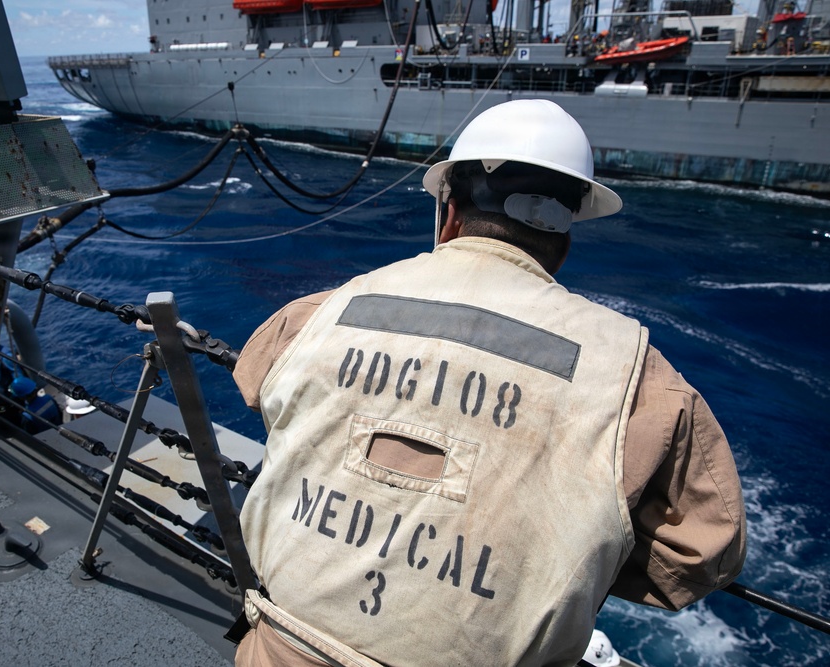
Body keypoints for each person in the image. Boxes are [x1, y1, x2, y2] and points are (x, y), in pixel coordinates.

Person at [231, 99, 746, 667]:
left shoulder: (320, 312)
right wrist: (566, 554)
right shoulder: (641, 378)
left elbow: (259, 388)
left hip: (280, 648)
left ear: (448, 213)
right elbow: (704, 553)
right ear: (564, 241)